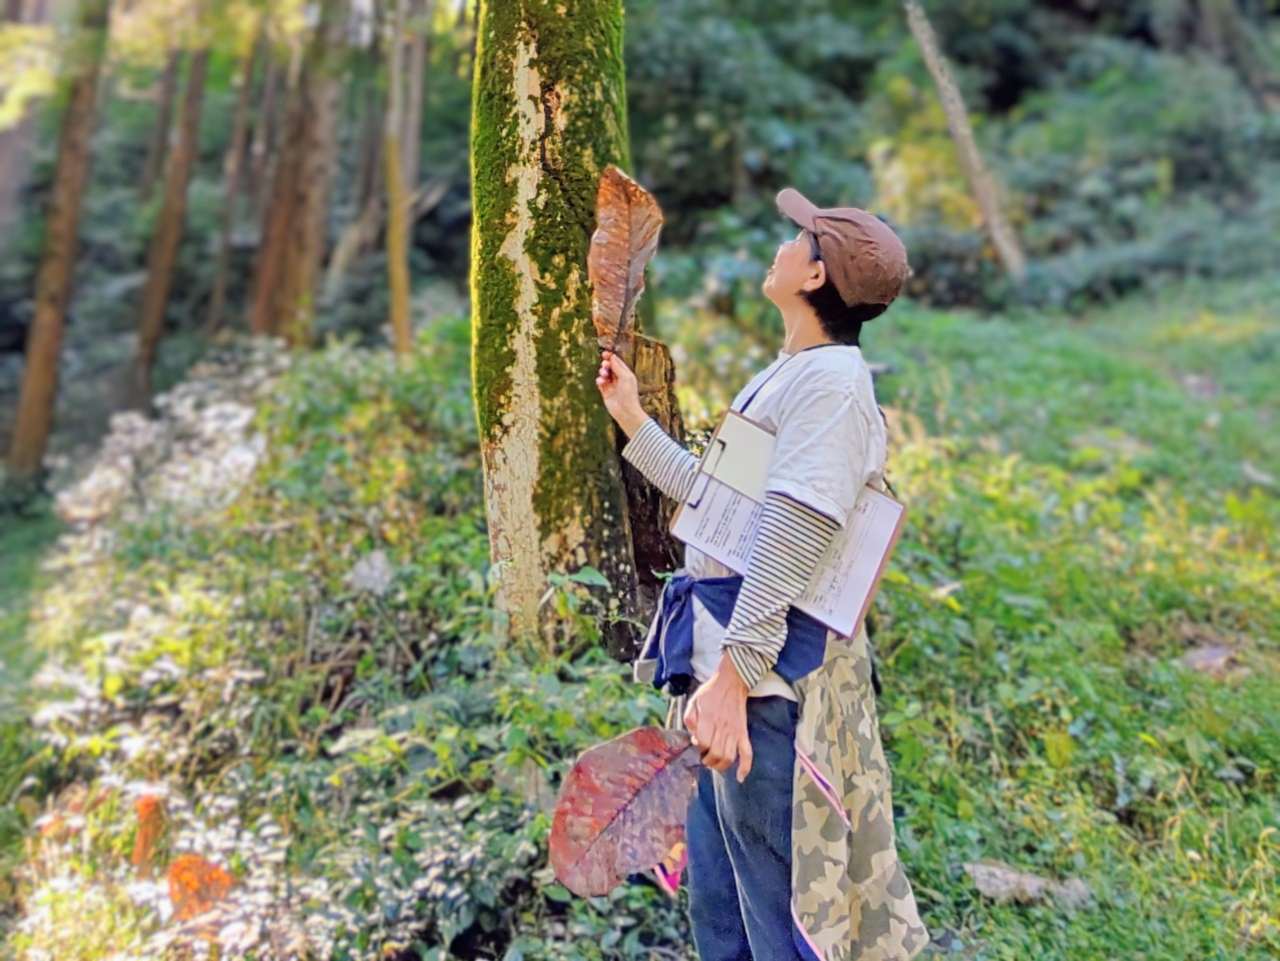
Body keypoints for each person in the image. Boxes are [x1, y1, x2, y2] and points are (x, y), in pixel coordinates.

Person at [595, 187, 931, 961]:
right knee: (723, 899)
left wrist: (737, 676)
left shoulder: (833, 386)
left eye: (798, 238)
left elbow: (796, 523)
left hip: (765, 685)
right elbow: (721, 505)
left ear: (814, 277)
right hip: (733, 668)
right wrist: (633, 420)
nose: (782, 245)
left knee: (778, 907)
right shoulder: (797, 372)